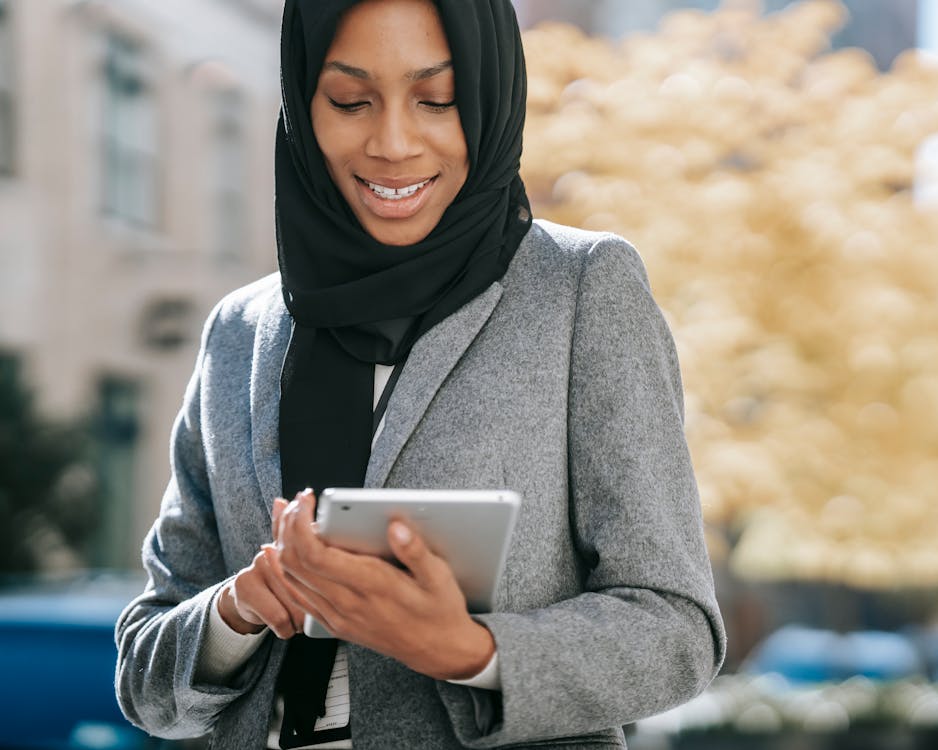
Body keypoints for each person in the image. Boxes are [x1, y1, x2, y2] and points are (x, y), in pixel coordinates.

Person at [114, 0, 725, 747]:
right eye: (349, 101)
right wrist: (240, 608)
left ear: (489, 98)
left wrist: (469, 651)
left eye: (437, 100)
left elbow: (678, 632)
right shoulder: (241, 330)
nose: (393, 142)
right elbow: (146, 680)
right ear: (304, 104)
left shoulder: (580, 289)